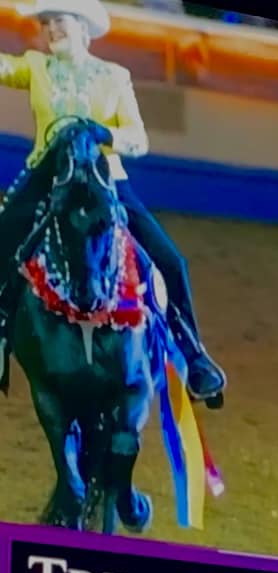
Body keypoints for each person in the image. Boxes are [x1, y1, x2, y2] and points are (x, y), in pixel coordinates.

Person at [0, 0, 225, 402]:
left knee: (169, 260)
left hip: (107, 180)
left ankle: (194, 355)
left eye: (60, 21)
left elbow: (138, 139)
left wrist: (104, 134)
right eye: (47, 24)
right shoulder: (35, 66)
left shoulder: (114, 77)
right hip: (47, 177)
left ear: (83, 28)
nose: (52, 30)